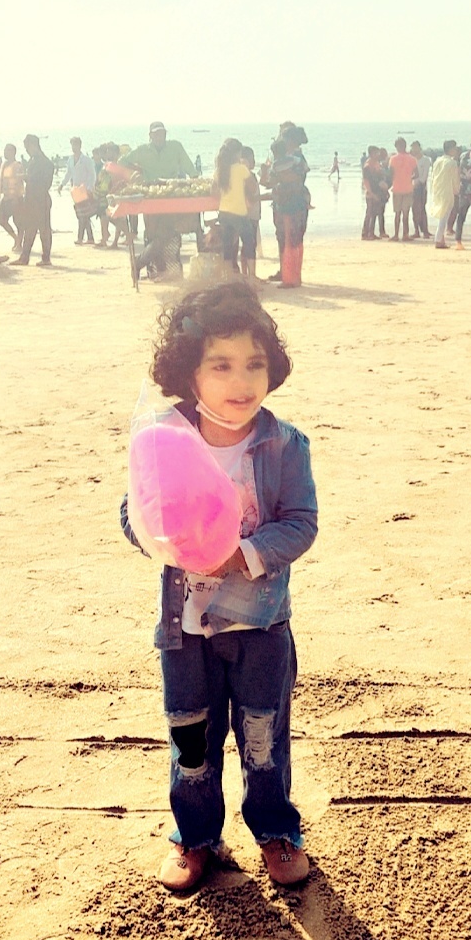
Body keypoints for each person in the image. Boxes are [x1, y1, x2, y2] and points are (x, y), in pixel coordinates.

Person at [120, 280, 318, 891]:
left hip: (261, 627)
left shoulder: (283, 445)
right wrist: (166, 541)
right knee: (192, 739)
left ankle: (276, 829)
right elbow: (134, 513)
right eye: (221, 365)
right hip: (186, 631)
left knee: (263, 735)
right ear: (190, 373)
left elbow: (301, 524)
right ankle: (196, 835)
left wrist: (242, 554)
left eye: (255, 364)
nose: (242, 381)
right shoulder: (164, 439)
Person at [122, 122, 198, 280]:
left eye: (162, 133)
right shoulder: (142, 150)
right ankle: (151, 268)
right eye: (156, 134)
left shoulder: (175, 147)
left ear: (166, 134)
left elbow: (189, 167)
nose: (159, 136)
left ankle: (142, 263)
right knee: (154, 235)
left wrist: (195, 181)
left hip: (170, 195)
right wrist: (137, 171)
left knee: (166, 233)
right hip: (151, 197)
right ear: (150, 135)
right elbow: (123, 161)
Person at [267, 126, 310, 287]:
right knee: (293, 239)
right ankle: (292, 275)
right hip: (295, 200)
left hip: (289, 201)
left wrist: (276, 176)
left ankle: (290, 277)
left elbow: (291, 178)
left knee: (289, 238)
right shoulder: (296, 158)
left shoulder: (293, 157)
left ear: (289, 141)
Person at [214, 137, 259, 282]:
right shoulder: (241, 169)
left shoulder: (220, 170)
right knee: (249, 243)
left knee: (228, 245)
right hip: (239, 212)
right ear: (237, 153)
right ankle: (252, 276)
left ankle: (228, 277)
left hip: (224, 212)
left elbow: (214, 192)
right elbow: (253, 187)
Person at [13, 135, 54, 267]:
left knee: (43, 230)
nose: (26, 150)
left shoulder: (43, 162)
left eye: (27, 147)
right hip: (35, 199)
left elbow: (43, 182)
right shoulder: (36, 160)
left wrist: (26, 177)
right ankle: (28, 257)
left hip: (40, 199)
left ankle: (41, 258)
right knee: (32, 229)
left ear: (33, 145)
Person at [58, 138, 97, 244]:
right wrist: (62, 184)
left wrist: (90, 188)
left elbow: (92, 175)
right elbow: (68, 173)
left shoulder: (86, 160)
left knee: (83, 214)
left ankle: (80, 238)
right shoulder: (70, 159)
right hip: (76, 191)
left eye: (75, 145)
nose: (74, 147)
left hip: (85, 189)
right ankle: (90, 238)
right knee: (82, 214)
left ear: (80, 146)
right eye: (72, 145)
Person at [430, 140, 460, 249]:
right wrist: (456, 190)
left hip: (438, 190)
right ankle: (438, 239)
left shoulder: (438, 161)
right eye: (454, 148)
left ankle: (440, 239)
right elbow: (455, 179)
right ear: (451, 149)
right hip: (447, 191)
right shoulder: (452, 163)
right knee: (444, 216)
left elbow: (433, 176)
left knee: (442, 214)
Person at [387, 138, 417, 241]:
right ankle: (405, 234)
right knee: (406, 213)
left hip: (397, 188)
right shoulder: (412, 159)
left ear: (397, 147)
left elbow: (390, 174)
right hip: (408, 188)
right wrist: (409, 177)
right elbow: (416, 174)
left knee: (397, 213)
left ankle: (396, 235)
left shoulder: (393, 159)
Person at [0, 144, 25, 255]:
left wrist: (16, 197)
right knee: (2, 221)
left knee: (18, 222)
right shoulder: (4, 165)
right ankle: (16, 238)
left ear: (13, 152)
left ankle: (19, 243)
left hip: (16, 198)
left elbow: (20, 182)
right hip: (6, 197)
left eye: (7, 151)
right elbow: (1, 181)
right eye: (4, 150)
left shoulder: (17, 165)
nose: (4, 153)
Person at [361, 146, 387, 240]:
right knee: (369, 214)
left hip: (378, 192)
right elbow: (366, 181)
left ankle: (371, 233)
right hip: (371, 193)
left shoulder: (376, 164)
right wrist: (371, 194)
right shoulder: (367, 166)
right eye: (376, 153)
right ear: (371, 154)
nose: (378, 155)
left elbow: (379, 178)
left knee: (375, 213)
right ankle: (365, 234)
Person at [410, 141, 432, 238]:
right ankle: (416, 231)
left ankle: (425, 231)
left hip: (421, 187)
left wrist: (416, 182)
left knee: (422, 209)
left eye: (416, 148)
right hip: (412, 188)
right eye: (413, 148)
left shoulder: (426, 160)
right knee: (414, 209)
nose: (414, 150)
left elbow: (424, 177)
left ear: (419, 148)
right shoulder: (411, 160)